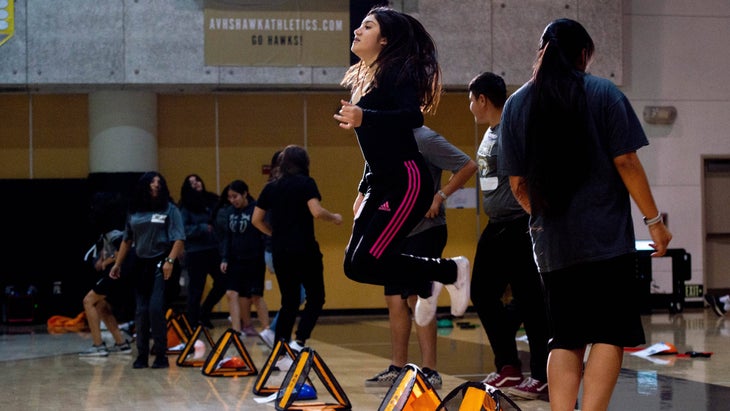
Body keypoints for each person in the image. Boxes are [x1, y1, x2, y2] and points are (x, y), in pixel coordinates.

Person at [499, 19, 673, 410]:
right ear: (582, 55)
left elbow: (517, 185)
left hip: (554, 247)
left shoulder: (516, 105)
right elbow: (626, 161)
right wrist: (654, 222)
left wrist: (546, 219)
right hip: (606, 243)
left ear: (542, 53)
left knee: (565, 337)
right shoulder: (603, 93)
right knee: (608, 334)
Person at [334, 6, 470, 327]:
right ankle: (433, 277)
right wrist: (363, 189)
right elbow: (375, 147)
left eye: (367, 27)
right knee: (355, 266)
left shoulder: (396, 71)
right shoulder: (364, 83)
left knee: (370, 259)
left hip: (406, 181)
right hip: (380, 183)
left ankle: (449, 271)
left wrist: (365, 117)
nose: (357, 31)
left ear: (384, 40)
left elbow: (413, 117)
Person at [364, 126, 477, 389]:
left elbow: (466, 165)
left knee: (419, 296)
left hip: (425, 229)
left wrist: (440, 196)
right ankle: (397, 367)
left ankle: (430, 370)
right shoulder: (381, 139)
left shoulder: (424, 138)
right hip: (393, 232)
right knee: (394, 299)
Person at [467, 71, 550, 399]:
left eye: (471, 101)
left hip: (518, 225)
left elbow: (531, 177)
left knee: (531, 301)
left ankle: (541, 376)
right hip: (496, 225)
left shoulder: (513, 132)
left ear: (483, 99)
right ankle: (509, 368)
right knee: (482, 294)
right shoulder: (489, 134)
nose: (470, 107)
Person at [252, 145, 342, 351]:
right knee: (316, 297)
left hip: (280, 251)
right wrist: (335, 218)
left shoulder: (271, 187)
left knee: (289, 302)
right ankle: (299, 341)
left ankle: (279, 352)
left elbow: (256, 220)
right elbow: (317, 212)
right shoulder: (306, 183)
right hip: (305, 249)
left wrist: (273, 234)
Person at [110, 172, 186, 369]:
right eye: (153, 182)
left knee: (155, 308)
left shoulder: (170, 209)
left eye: (160, 182)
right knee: (141, 311)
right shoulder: (134, 210)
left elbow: (179, 238)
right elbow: (127, 240)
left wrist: (170, 260)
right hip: (140, 262)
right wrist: (117, 264)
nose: (156, 185)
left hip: (162, 262)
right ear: (145, 186)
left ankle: (160, 354)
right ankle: (142, 354)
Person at [258, 150, 307, 348]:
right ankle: (274, 333)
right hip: (279, 249)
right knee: (297, 295)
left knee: (293, 295)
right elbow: (264, 221)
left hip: (276, 249)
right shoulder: (277, 189)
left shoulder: (276, 187)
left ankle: (277, 335)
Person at [220, 179, 270, 336]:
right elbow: (227, 237)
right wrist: (224, 258)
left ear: (245, 194)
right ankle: (236, 330)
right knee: (232, 293)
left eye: (235, 196)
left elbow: (265, 232)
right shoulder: (230, 212)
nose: (232, 200)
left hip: (254, 259)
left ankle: (267, 330)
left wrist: (268, 252)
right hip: (235, 259)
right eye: (230, 197)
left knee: (256, 296)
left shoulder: (256, 209)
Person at [178, 174, 226, 329]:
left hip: (213, 249)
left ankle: (204, 313)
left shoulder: (212, 201)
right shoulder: (185, 206)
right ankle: (192, 322)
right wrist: (202, 228)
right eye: (191, 183)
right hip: (195, 252)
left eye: (197, 180)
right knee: (196, 289)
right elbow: (183, 229)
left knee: (223, 282)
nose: (196, 183)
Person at [78, 229, 133, 357]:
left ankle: (98, 346)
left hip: (117, 273)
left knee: (88, 301)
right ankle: (121, 344)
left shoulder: (113, 233)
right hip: (120, 274)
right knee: (101, 306)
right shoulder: (105, 236)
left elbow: (122, 250)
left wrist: (105, 262)